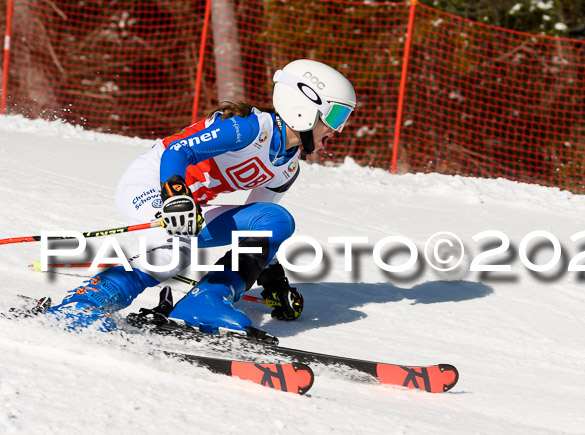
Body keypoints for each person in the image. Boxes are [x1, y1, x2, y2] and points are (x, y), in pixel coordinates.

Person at [44, 59, 356, 339]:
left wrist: (273, 279)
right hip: (151, 185)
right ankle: (83, 303)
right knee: (172, 256)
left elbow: (255, 231)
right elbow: (178, 151)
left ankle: (207, 300)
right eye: (337, 115)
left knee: (275, 219)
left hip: (191, 209)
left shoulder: (287, 167)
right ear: (303, 105)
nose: (337, 130)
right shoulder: (248, 128)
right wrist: (175, 195)